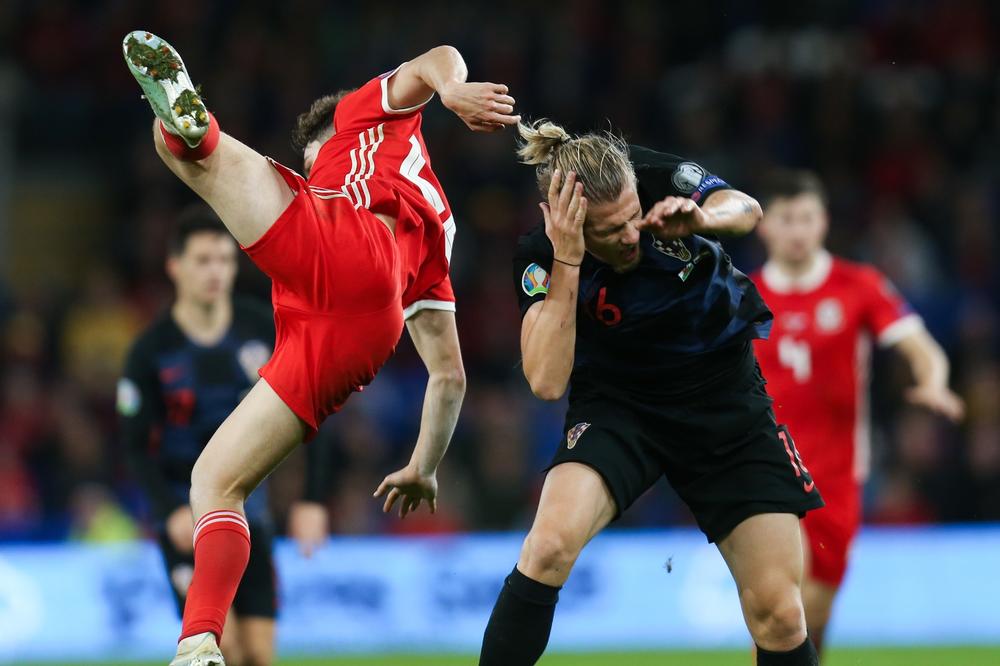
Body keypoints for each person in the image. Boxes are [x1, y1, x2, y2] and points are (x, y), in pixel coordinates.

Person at [123, 30, 517, 666]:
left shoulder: (354, 116)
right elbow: (449, 377)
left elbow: (434, 59)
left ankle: (193, 133)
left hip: (342, 243)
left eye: (310, 161)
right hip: (362, 329)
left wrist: (451, 90)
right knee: (215, 482)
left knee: (188, 153)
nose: (310, 169)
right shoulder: (439, 230)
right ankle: (198, 644)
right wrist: (424, 465)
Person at [479, 120, 824, 666]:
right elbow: (545, 382)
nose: (630, 235)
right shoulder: (541, 253)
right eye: (609, 231)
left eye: (631, 218)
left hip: (723, 396)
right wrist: (568, 260)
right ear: (572, 225)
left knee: (779, 615)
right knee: (545, 549)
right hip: (620, 406)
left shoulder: (657, 177)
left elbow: (748, 209)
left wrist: (704, 217)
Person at [751, 170, 964, 660]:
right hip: (765, 469)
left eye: (807, 218)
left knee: (814, 619)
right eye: (786, 219)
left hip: (838, 476)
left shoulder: (858, 286)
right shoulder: (744, 295)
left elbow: (919, 346)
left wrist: (932, 381)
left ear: (823, 221)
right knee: (779, 607)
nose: (798, 230)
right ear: (766, 227)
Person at [119, 207, 330, 666]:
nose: (216, 272)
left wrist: (311, 498)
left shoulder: (264, 328)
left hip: (252, 513)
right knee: (222, 647)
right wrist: (168, 511)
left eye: (224, 260)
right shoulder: (150, 351)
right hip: (186, 517)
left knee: (257, 654)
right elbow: (136, 447)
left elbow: (314, 404)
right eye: (202, 260)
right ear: (175, 267)